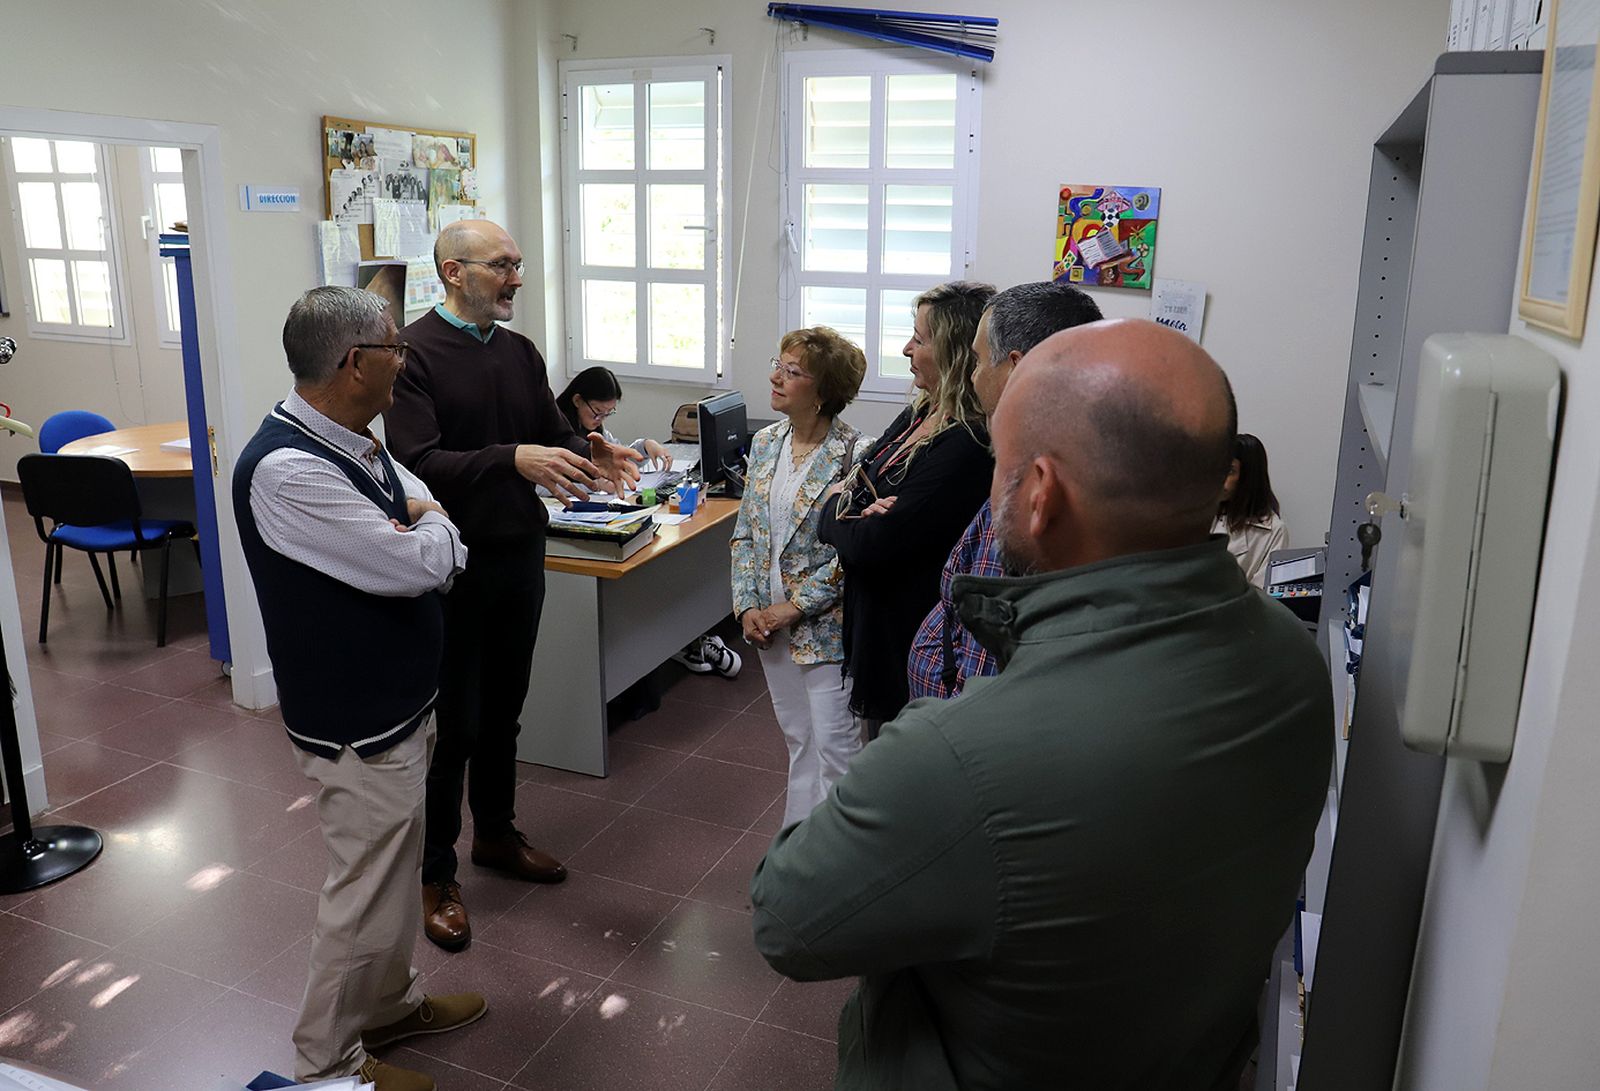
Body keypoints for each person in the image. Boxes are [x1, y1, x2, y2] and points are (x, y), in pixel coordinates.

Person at [751, 319, 1333, 1091]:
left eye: (1000, 465)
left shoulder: (964, 752)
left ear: (1041, 493)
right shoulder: (1294, 658)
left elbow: (784, 918)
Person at [232, 286, 485, 1091]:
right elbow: (422, 561)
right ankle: (325, 1065)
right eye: (395, 349)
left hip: (398, 702)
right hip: (355, 720)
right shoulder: (287, 470)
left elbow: (410, 512)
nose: (404, 361)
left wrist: (422, 516)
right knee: (363, 893)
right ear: (355, 363)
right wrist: (434, 519)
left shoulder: (354, 438)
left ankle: (388, 1006)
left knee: (394, 878)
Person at [384, 220, 642, 953]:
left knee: (505, 711)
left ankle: (495, 834)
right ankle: (436, 874)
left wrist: (591, 448)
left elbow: (549, 434)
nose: (517, 278)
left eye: (518, 264)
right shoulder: (411, 355)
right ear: (453, 271)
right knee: (455, 726)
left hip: (519, 554)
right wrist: (512, 458)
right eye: (502, 265)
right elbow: (418, 463)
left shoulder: (520, 351)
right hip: (452, 563)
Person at [906, 281, 1102, 701]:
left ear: (1016, 368)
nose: (972, 376)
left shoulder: (1031, 492)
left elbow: (987, 673)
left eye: (978, 361)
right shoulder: (1079, 459)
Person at [816, 281, 995, 734]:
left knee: (896, 752)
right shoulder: (922, 412)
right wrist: (847, 508)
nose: (906, 349)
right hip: (873, 623)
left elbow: (871, 541)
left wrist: (842, 510)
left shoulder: (967, 443)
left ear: (954, 352)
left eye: (919, 339)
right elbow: (850, 490)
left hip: (911, 637)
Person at [730, 327, 870, 826]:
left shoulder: (856, 453)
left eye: (793, 372)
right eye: (779, 365)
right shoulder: (766, 442)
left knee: (837, 750)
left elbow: (853, 552)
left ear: (823, 391)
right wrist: (747, 606)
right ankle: (800, 847)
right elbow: (747, 532)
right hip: (769, 624)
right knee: (799, 741)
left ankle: (843, 857)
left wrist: (794, 607)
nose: (776, 377)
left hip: (824, 626)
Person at [555, 365, 741, 679]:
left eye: (608, 414)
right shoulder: (555, 429)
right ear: (576, 400)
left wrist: (645, 445)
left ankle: (689, 636)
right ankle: (679, 641)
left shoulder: (594, 430)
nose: (600, 420)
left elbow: (617, 451)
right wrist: (594, 482)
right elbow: (544, 485)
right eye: (597, 412)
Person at [1214, 432, 1288, 587]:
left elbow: (1263, 593)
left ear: (1248, 477)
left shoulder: (1274, 531)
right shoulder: (1201, 514)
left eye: (1229, 471)